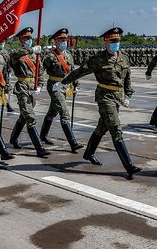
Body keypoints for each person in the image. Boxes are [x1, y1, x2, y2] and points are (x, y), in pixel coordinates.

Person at [57, 27, 141, 180]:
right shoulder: (99, 59)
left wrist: (128, 94)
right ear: (105, 42)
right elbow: (81, 71)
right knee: (116, 128)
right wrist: (64, 82)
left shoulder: (124, 57)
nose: (116, 43)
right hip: (104, 97)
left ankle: (88, 153)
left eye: (117, 41)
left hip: (117, 97)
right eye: (112, 41)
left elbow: (127, 77)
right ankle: (129, 166)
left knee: (102, 127)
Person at [40, 28, 84, 152]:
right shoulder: (50, 56)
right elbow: (41, 70)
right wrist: (39, 83)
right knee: (64, 112)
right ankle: (73, 143)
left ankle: (42, 136)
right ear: (55, 41)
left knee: (52, 112)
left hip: (65, 86)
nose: (64, 42)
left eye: (65, 39)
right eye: (61, 40)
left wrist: (76, 84)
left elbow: (72, 71)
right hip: (54, 86)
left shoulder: (68, 55)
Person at [8, 27, 50, 157]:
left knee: (23, 115)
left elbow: (40, 71)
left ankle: (13, 138)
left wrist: (40, 85)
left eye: (30, 38)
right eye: (26, 38)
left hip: (32, 88)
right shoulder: (17, 54)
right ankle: (39, 148)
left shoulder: (35, 55)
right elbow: (15, 57)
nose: (29, 40)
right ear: (20, 39)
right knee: (30, 117)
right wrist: (32, 49)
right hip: (22, 88)